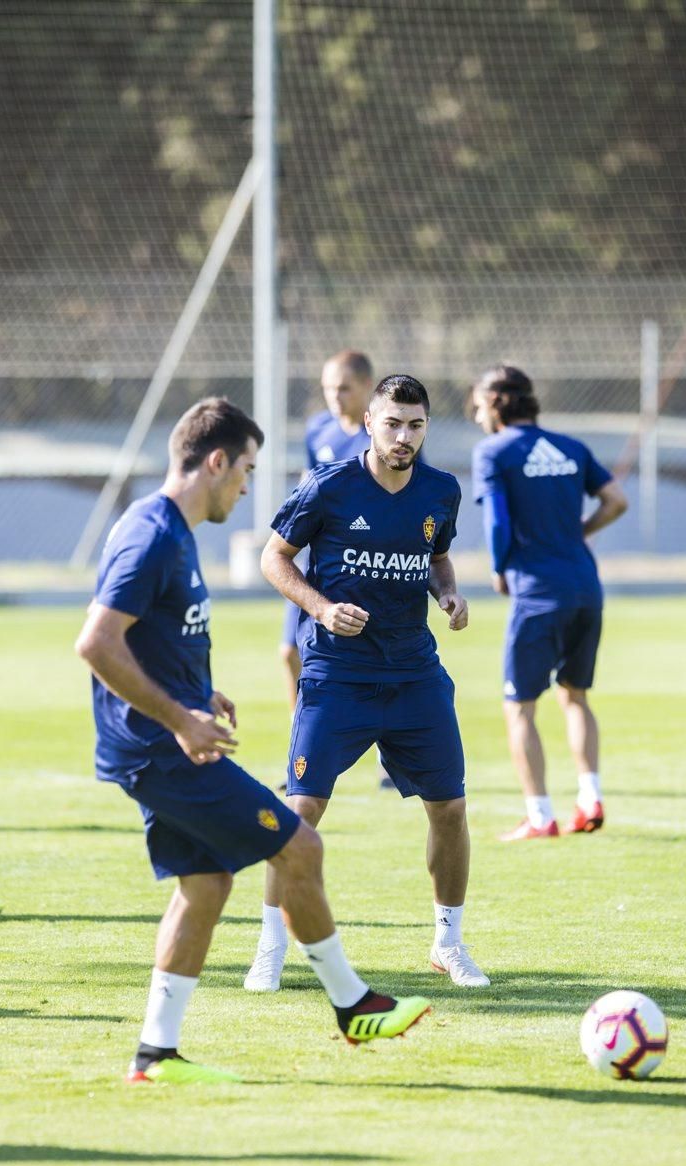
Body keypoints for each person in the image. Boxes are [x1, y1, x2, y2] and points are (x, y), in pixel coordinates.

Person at [74, 396, 431, 1085]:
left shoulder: (168, 529)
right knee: (299, 842)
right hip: (162, 749)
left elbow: (149, 631)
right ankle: (354, 1004)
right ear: (214, 461)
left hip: (158, 740)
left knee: (205, 883)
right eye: (244, 470)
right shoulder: (153, 533)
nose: (246, 485)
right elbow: (96, 641)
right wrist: (180, 719)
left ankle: (155, 1053)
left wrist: (194, 690)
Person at [243, 374, 489, 993]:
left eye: (416, 426)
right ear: (370, 424)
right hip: (338, 675)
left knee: (451, 808)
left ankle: (449, 943)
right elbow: (273, 558)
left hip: (414, 673)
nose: (404, 437)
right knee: (300, 810)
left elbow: (433, 556)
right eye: (393, 425)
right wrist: (321, 609)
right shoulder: (328, 487)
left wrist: (450, 594)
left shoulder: (440, 491)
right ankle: (269, 946)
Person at [469, 365, 628, 840]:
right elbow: (616, 500)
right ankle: (590, 796)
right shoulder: (571, 447)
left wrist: (500, 569)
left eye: (478, 405)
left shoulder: (493, 452)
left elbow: (497, 524)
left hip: (537, 592)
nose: (476, 415)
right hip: (585, 584)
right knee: (575, 696)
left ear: (496, 403)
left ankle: (540, 816)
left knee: (519, 706)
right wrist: (578, 534)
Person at [278, 350, 396, 789]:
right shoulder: (318, 430)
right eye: (328, 387)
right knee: (289, 652)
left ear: (367, 388)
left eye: (343, 387)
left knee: (380, 657)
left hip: (369, 568)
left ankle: (392, 755)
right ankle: (299, 748)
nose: (334, 396)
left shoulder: (385, 434)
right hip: (318, 568)